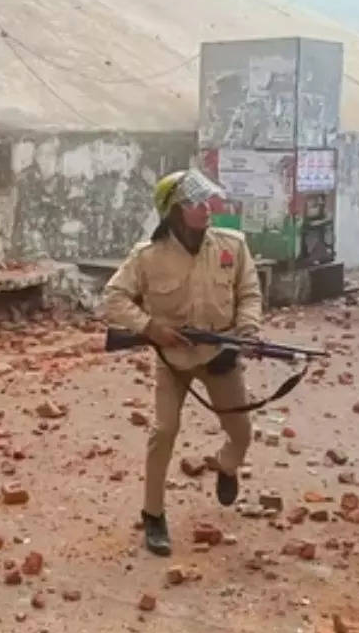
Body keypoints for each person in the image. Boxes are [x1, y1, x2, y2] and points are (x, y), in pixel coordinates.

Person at [103, 170, 260, 557]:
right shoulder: (148, 257)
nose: (207, 209)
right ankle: (154, 514)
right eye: (195, 203)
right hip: (172, 358)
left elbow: (249, 292)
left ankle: (226, 465)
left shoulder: (232, 246)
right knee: (164, 430)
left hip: (220, 353)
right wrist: (151, 328)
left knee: (241, 431)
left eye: (208, 201)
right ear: (174, 212)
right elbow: (113, 298)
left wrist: (247, 330)